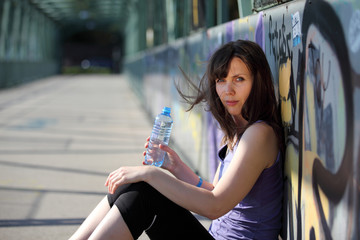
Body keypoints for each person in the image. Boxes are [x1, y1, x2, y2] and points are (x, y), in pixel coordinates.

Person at [69, 39, 284, 240]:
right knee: (133, 186)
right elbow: (215, 192)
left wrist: (151, 174)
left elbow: (215, 206)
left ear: (258, 81)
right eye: (221, 80)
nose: (228, 90)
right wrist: (177, 167)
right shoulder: (238, 132)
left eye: (239, 79)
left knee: (145, 192)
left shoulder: (260, 134)